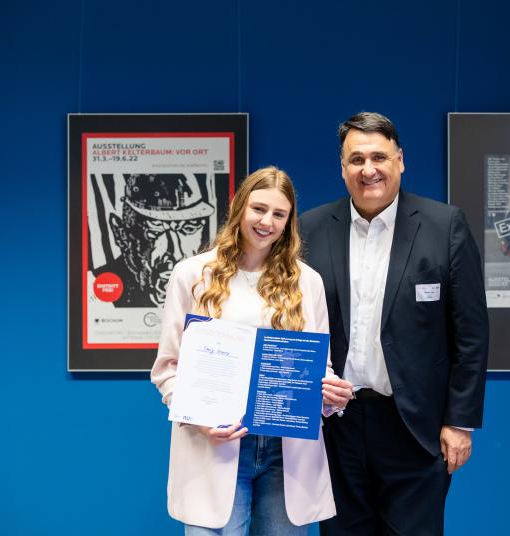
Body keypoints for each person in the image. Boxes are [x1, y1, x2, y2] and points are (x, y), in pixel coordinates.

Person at [299, 112, 489, 535]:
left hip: (414, 426)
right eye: (356, 159)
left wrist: (459, 422)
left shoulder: (444, 227)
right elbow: (291, 324)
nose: (368, 170)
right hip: (337, 426)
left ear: (400, 160)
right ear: (342, 168)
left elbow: (471, 335)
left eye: (379, 157)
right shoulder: (309, 229)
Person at [151, 167, 354, 535]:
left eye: (279, 214)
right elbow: (167, 369)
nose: (267, 222)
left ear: (289, 221)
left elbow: (317, 370)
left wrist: (331, 395)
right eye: (259, 209)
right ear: (239, 208)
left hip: (285, 452)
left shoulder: (307, 282)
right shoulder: (193, 274)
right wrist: (198, 418)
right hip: (216, 444)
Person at [94, 173, 213, 307]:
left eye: (189, 228)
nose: (177, 254)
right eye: (156, 231)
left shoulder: (216, 285)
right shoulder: (92, 286)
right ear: (121, 234)